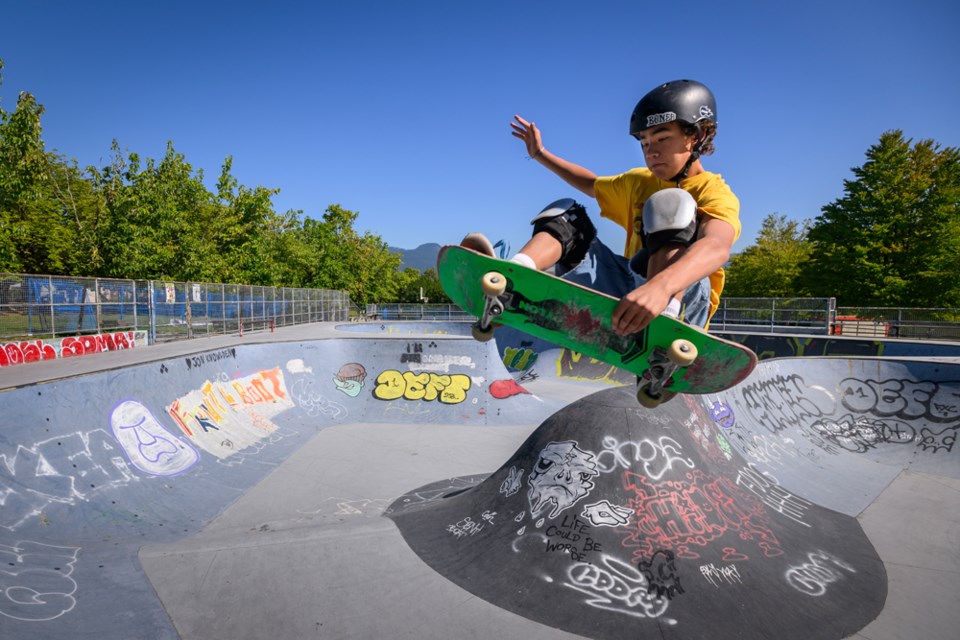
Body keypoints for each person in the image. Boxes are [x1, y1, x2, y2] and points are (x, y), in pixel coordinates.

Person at [462, 79, 740, 335]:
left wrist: (661, 287)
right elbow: (590, 183)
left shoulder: (713, 191)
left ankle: (663, 326)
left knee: (672, 205)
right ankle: (511, 284)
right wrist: (540, 155)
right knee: (567, 214)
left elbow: (716, 245)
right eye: (644, 142)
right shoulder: (639, 181)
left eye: (662, 137)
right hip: (627, 290)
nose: (651, 151)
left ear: (696, 135)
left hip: (682, 301)